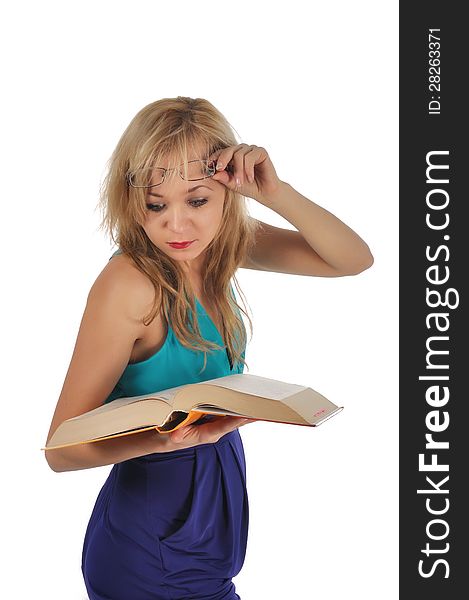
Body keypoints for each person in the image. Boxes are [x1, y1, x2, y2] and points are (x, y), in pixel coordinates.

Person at [44, 96, 373, 600]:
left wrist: (275, 192)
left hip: (211, 521)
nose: (177, 226)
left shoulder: (222, 246)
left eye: (197, 200)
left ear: (226, 191)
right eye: (156, 205)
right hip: (150, 542)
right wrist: (161, 440)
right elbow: (61, 450)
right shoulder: (130, 286)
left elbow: (352, 259)